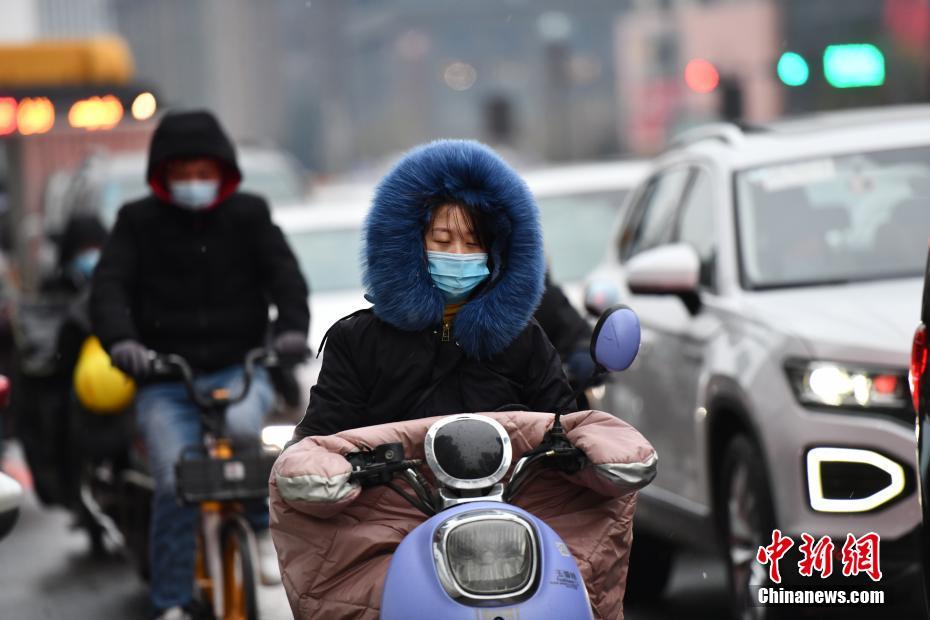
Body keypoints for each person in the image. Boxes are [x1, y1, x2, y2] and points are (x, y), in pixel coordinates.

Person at [89, 110, 309, 620]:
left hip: (240, 367)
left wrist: (291, 330)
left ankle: (257, 528)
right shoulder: (136, 222)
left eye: (203, 171)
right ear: (162, 174)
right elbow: (109, 290)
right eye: (181, 172)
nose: (193, 182)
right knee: (174, 478)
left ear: (224, 171)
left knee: (243, 432)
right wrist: (123, 342)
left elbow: (286, 278)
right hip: (165, 377)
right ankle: (170, 599)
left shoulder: (249, 214)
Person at [292, 139, 575, 441]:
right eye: (441, 241)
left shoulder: (523, 340)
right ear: (410, 246)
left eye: (472, 243)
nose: (457, 253)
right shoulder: (358, 342)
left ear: (496, 254)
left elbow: (565, 429)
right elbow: (320, 439)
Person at [13, 213, 107, 510]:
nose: (90, 256)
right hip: (72, 378)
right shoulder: (56, 287)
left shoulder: (115, 282)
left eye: (96, 247)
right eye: (84, 250)